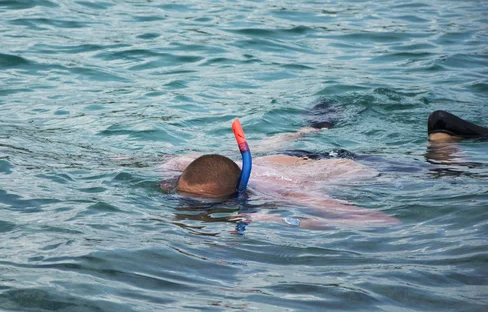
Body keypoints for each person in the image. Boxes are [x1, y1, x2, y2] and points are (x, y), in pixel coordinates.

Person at [163, 109, 487, 230]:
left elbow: (380, 221)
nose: (188, 206)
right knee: (281, 142)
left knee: (439, 171)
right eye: (185, 197)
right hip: (289, 156)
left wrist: (279, 219)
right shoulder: (183, 167)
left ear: (236, 193)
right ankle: (317, 124)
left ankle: (442, 138)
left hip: (346, 165)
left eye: (201, 205)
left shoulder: (290, 192)